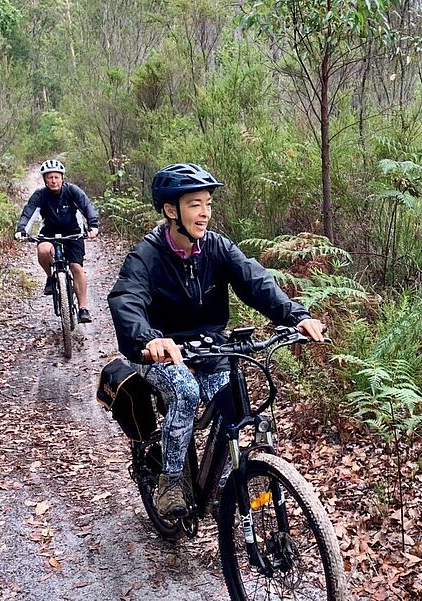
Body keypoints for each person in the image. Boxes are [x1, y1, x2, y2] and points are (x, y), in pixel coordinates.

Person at [107, 162, 327, 519]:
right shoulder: (146, 255)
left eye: (208, 203)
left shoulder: (217, 247)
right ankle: (172, 480)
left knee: (231, 397)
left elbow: (257, 283)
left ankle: (228, 479)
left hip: (209, 347)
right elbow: (126, 300)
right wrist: (149, 339)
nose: (205, 212)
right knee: (185, 392)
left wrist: (297, 316)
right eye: (195, 204)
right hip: (160, 353)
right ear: (170, 210)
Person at [15, 159, 99, 323]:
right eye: (50, 178)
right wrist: (21, 230)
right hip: (49, 233)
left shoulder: (72, 191)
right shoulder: (40, 195)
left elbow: (87, 206)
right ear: (45, 179)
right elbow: (28, 213)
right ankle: (51, 277)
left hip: (73, 233)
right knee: (43, 250)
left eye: (56, 177)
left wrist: (93, 226)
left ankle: (83, 309)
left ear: (62, 178)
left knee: (76, 267)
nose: (53, 181)